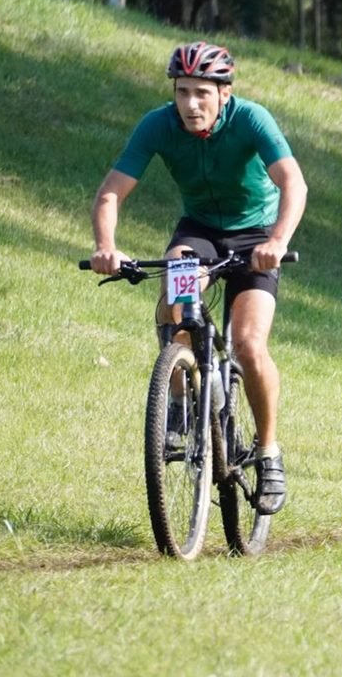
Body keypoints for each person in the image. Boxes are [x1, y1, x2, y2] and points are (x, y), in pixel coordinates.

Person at [90, 41, 308, 515]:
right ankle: (179, 395)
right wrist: (106, 247)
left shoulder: (252, 119)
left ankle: (268, 453)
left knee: (249, 345)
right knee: (176, 298)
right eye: (182, 92)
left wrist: (277, 239)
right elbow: (111, 193)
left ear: (224, 94)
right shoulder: (158, 124)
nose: (190, 104)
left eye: (201, 94)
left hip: (255, 239)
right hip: (201, 234)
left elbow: (293, 182)